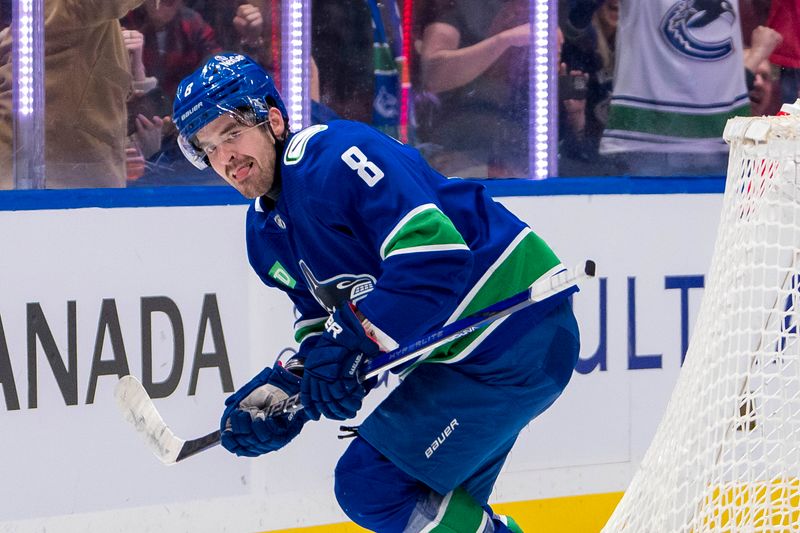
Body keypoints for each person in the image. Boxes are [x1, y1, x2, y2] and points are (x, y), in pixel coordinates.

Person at [173, 53, 580, 532]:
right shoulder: (264, 236)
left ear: (274, 118)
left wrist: (352, 346)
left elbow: (436, 257)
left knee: (370, 487)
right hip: (464, 360)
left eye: (232, 133)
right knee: (420, 505)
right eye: (209, 148)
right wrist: (290, 389)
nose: (225, 158)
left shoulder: (335, 157)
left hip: (514, 334)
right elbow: (326, 326)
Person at [0, 0, 144, 189]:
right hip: (55, 177)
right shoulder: (64, 7)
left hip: (63, 171)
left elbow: (105, 88)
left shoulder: (85, 24)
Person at [417, 0, 531, 178]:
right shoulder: (456, 18)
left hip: (523, 164)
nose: (519, 11)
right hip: (458, 161)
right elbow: (433, 74)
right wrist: (505, 40)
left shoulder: (546, 20)